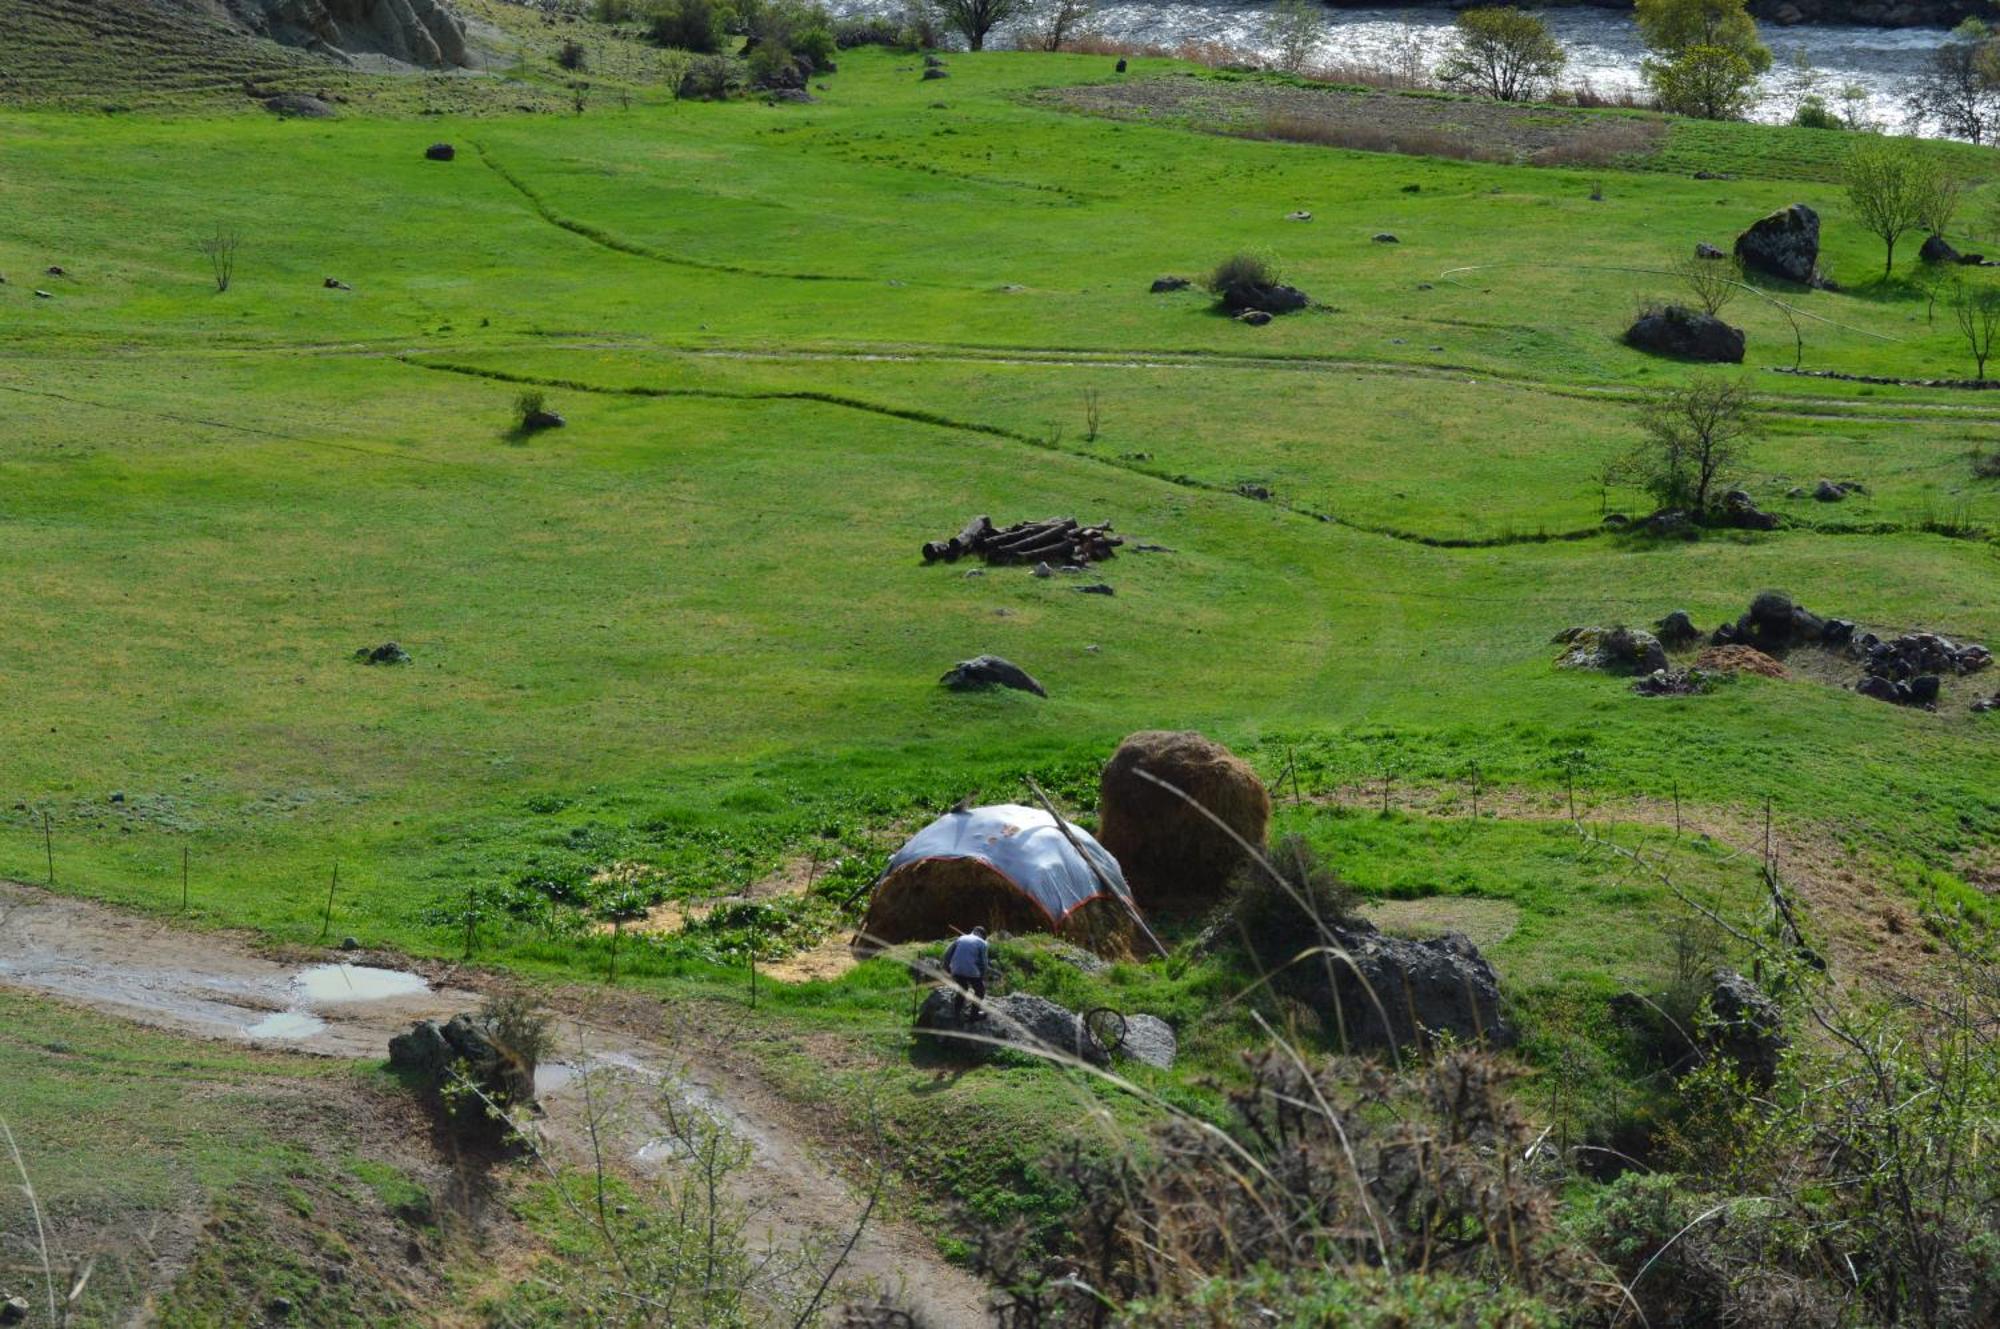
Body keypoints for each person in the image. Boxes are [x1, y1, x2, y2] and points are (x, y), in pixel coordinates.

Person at [941, 926, 990, 1022]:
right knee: (980, 991)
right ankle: (974, 1015)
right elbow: (984, 962)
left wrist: (946, 968)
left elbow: (947, 953)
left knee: (963, 989)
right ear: (982, 935)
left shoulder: (961, 938)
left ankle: (956, 1015)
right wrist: (982, 975)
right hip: (971, 970)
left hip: (956, 969)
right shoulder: (982, 943)